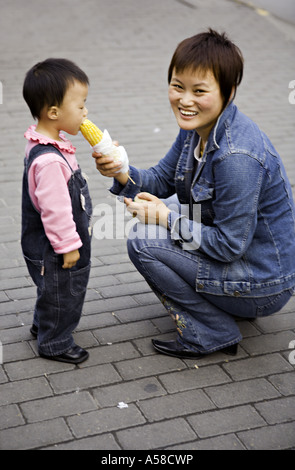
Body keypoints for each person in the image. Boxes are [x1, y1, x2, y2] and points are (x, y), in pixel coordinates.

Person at [93, 29, 295, 359]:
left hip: (263, 283)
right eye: (178, 86)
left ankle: (212, 331)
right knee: (170, 206)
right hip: (244, 260)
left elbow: (230, 245)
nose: (185, 100)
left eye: (199, 91)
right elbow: (161, 179)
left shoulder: (236, 157)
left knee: (144, 240)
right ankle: (223, 308)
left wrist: (166, 219)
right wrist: (121, 171)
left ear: (228, 92)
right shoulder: (198, 128)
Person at [22, 58, 92, 364]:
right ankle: (56, 342)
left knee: (51, 290)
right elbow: (56, 210)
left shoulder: (49, 143)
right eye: (80, 106)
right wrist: (68, 247)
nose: (85, 112)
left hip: (46, 245)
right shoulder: (48, 160)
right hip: (56, 247)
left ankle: (42, 325)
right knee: (65, 292)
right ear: (54, 112)